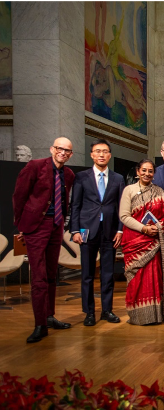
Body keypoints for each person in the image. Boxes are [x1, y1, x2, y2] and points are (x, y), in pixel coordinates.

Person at [13, 138, 74, 343]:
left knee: (50, 274)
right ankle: (40, 324)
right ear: (52, 149)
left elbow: (64, 200)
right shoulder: (35, 166)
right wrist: (21, 226)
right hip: (36, 226)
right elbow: (19, 196)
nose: (63, 152)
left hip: (56, 226)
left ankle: (49, 316)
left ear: (71, 154)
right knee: (38, 277)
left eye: (67, 150)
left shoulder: (69, 174)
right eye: (59, 148)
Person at [70, 139, 125, 326]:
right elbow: (75, 205)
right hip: (87, 230)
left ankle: (107, 310)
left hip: (110, 231)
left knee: (108, 273)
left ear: (110, 155)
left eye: (105, 151)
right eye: (97, 151)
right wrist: (75, 230)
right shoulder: (81, 177)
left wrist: (120, 229)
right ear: (92, 154)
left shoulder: (118, 178)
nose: (101, 154)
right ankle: (89, 312)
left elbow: (121, 207)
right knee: (87, 274)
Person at [119, 159, 164, 325]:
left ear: (154, 173)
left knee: (155, 278)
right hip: (135, 241)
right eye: (144, 170)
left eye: (150, 171)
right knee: (136, 279)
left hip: (155, 242)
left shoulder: (159, 192)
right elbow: (124, 216)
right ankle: (139, 316)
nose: (147, 174)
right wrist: (143, 228)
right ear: (138, 172)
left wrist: (159, 227)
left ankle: (156, 315)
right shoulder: (129, 190)